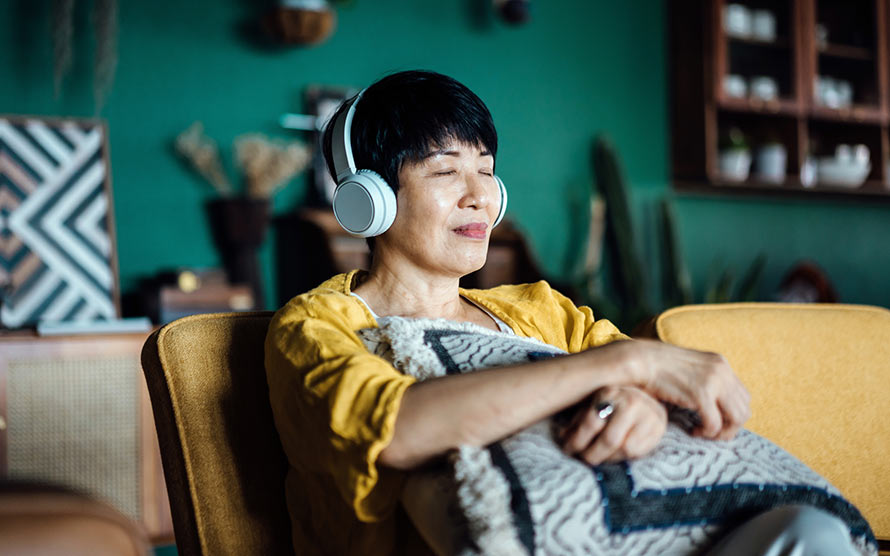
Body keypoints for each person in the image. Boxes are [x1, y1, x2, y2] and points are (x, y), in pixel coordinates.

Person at [264, 71, 855, 556]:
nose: (481, 195)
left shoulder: (542, 311)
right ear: (368, 198)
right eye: (445, 171)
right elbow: (395, 432)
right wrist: (620, 365)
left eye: (488, 170)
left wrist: (638, 399)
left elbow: (657, 387)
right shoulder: (316, 325)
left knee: (812, 534)